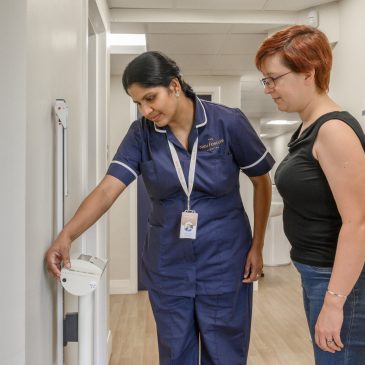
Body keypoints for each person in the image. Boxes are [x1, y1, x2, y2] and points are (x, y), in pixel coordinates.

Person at [46, 51, 274, 365]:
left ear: (175, 86)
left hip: (225, 259)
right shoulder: (141, 134)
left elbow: (262, 182)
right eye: (138, 102)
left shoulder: (227, 122)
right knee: (174, 353)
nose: (146, 109)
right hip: (169, 262)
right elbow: (108, 190)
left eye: (150, 98)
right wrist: (67, 235)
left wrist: (257, 246)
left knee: (225, 354)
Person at [255, 25, 365, 364]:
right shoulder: (307, 128)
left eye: (274, 78)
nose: (269, 89)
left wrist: (334, 302)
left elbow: (358, 222)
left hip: (339, 282)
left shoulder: (333, 130)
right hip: (317, 274)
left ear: (308, 72)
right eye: (265, 81)